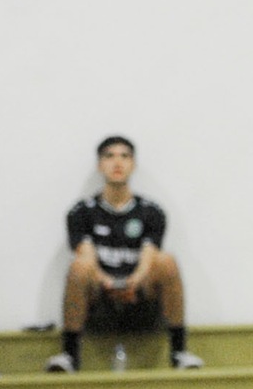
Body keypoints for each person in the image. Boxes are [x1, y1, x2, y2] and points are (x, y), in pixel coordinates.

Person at [45, 135, 204, 373]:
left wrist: (133, 281)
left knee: (166, 261)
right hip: (100, 298)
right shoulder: (81, 212)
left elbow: (150, 255)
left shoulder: (152, 211)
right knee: (79, 267)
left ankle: (179, 352)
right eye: (109, 156)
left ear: (133, 164)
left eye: (124, 156)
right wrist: (108, 282)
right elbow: (86, 256)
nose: (117, 162)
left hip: (140, 295)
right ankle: (69, 355)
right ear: (100, 165)